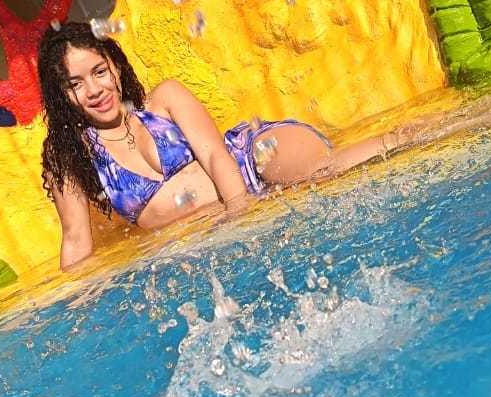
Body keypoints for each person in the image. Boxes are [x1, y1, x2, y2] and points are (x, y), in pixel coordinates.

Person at [39, 21, 434, 269]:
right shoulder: (72, 159)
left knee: (331, 174)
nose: (94, 90)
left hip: (252, 162)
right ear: (62, 95)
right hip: (212, 228)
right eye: (76, 84)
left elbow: (215, 154)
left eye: (99, 72)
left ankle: (423, 133)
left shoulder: (164, 99)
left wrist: (242, 214)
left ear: (115, 66)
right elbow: (76, 242)